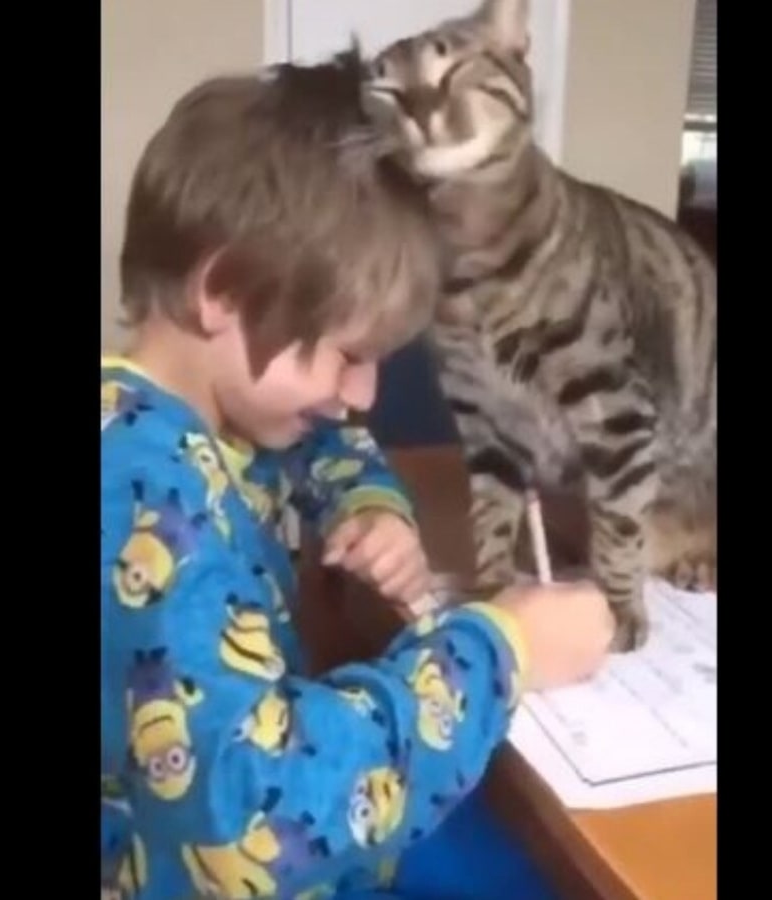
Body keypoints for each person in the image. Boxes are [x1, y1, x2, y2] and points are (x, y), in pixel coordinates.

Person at [100, 48, 615, 900]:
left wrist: (376, 508)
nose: (364, 394)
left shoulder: (210, 412)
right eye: (347, 354)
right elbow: (249, 827)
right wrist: (505, 647)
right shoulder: (139, 488)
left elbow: (333, 449)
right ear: (222, 290)